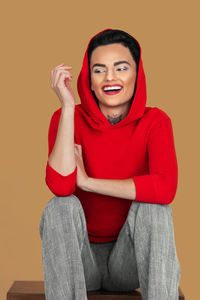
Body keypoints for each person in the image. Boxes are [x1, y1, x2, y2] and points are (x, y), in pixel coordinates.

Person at [39, 28, 181, 300]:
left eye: (121, 68)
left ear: (137, 74)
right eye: (99, 70)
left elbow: (165, 189)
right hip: (79, 261)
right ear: (89, 80)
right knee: (59, 207)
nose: (110, 78)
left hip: (128, 261)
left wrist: (89, 183)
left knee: (155, 210)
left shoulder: (156, 122)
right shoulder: (65, 118)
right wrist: (68, 106)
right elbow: (60, 185)